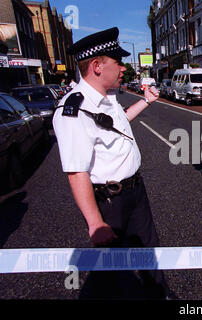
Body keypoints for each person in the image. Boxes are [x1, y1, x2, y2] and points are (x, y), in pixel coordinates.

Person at [52, 27, 169, 299]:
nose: (122, 68)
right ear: (96, 66)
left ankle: (158, 295)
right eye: (117, 62)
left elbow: (119, 123)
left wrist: (146, 102)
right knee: (111, 270)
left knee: (149, 250)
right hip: (109, 202)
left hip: (135, 191)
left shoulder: (107, 98)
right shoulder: (74, 109)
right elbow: (76, 171)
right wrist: (95, 223)